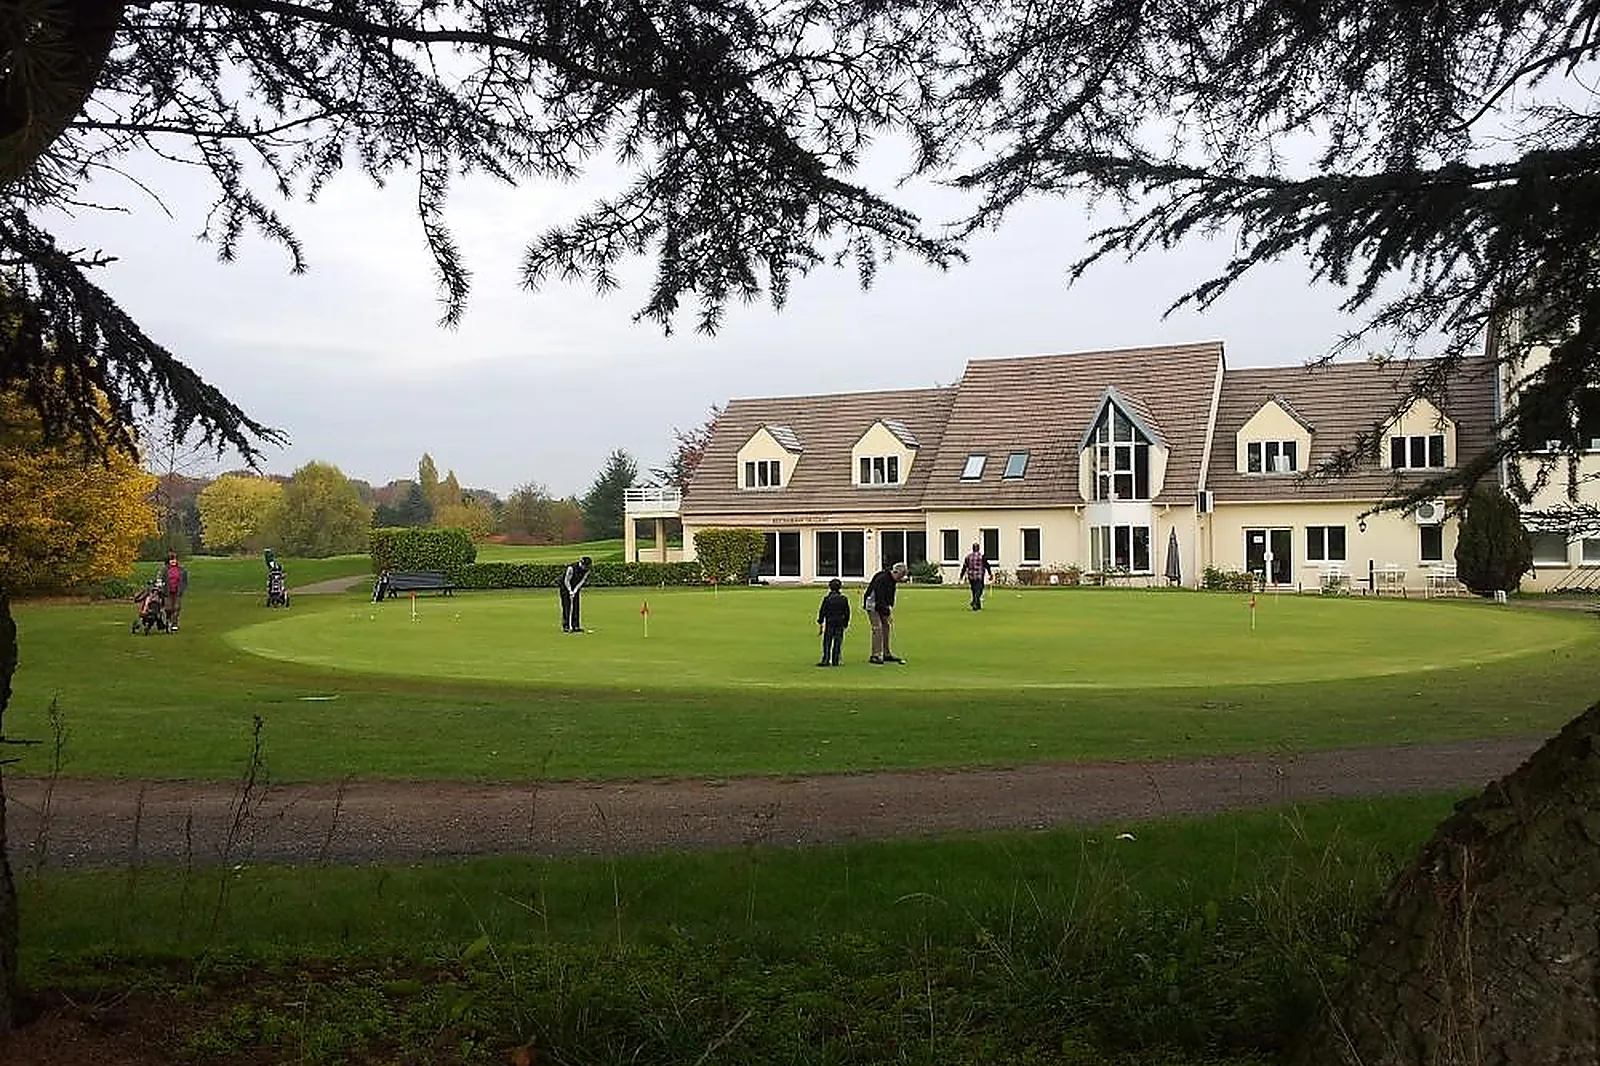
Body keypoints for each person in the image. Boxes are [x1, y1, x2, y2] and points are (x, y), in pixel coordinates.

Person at [864, 560, 909, 664]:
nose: (901, 578)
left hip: (882, 604)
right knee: (877, 628)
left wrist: (889, 608)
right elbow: (879, 598)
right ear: (896, 572)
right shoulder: (882, 578)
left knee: (886, 626)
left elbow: (890, 596)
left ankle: (886, 653)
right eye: (901, 575)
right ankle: (875, 655)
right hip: (872, 604)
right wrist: (886, 612)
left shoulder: (893, 580)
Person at [815, 577, 850, 666]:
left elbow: (822, 611)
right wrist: (846, 622)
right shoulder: (844, 599)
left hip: (830, 621)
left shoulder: (827, 599)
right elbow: (847, 612)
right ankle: (835, 659)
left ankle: (826, 659)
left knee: (827, 641)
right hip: (840, 621)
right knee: (838, 641)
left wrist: (820, 621)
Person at [560, 555, 593, 632]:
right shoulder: (571, 568)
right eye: (585, 566)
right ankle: (566, 626)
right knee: (566, 606)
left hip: (575, 587)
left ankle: (576, 626)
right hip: (565, 587)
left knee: (576, 606)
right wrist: (570, 590)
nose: (586, 568)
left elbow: (582, 581)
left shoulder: (587, 570)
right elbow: (566, 580)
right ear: (581, 563)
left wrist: (575, 590)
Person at [960, 541, 993, 610]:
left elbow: (964, 567)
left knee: (974, 590)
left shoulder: (968, 557)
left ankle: (978, 605)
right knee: (980, 590)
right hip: (979, 576)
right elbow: (987, 565)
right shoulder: (982, 556)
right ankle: (974, 602)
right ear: (978, 548)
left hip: (971, 576)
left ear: (973, 548)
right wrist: (990, 574)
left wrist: (961, 575)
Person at [162, 552, 189, 631]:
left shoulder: (182, 570)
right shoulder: (165, 570)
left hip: (177, 591)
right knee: (168, 608)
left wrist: (182, 588)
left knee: (176, 608)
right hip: (167, 591)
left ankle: (174, 623)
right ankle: (168, 620)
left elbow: (185, 581)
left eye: (174, 559)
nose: (173, 561)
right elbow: (160, 579)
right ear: (168, 561)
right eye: (171, 560)